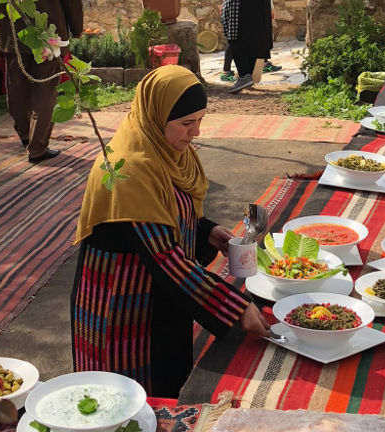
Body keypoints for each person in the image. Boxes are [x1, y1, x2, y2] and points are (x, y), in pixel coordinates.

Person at [71, 65, 271, 397]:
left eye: (200, 120)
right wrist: (236, 307)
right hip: (121, 308)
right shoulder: (130, 169)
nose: (195, 133)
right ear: (155, 116)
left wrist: (204, 230)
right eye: (186, 123)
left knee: (168, 383)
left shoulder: (168, 152)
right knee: (128, 401)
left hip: (159, 297)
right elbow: (165, 258)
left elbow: (167, 216)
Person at [0, 0, 83, 163]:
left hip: (13, 30)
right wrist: (77, 27)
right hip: (48, 29)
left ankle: (26, 135)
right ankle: (36, 146)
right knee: (45, 89)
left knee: (17, 86)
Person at [221, 0, 273, 93]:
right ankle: (247, 76)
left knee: (236, 38)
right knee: (253, 38)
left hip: (242, 5)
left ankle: (244, 76)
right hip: (257, 6)